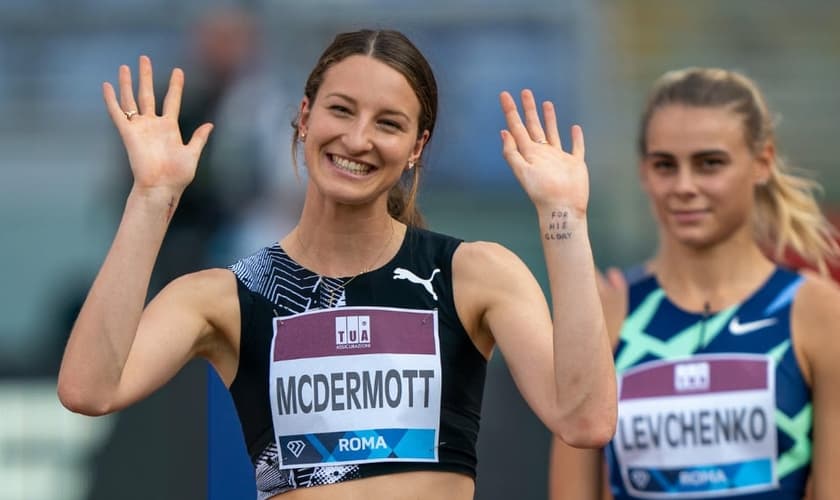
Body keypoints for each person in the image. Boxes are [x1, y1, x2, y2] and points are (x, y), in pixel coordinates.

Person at [57, 28, 616, 499]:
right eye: (340, 110)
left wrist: (562, 216)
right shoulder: (229, 295)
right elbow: (89, 390)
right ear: (304, 116)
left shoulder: (473, 274)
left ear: (418, 146)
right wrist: (152, 197)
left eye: (389, 124)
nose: (357, 138)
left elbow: (584, 420)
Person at [549, 67, 840, 500]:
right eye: (665, 165)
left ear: (761, 162)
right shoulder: (605, 313)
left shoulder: (817, 314)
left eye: (710, 164)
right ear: (644, 173)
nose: (684, 186)